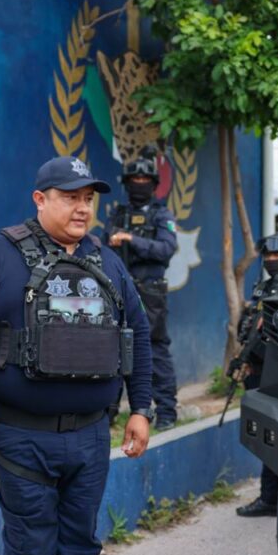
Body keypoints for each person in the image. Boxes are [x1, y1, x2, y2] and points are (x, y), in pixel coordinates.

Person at [0, 155, 154, 555]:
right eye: (70, 198)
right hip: (22, 438)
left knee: (81, 552)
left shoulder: (108, 262)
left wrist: (141, 409)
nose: (82, 208)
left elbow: (137, 333)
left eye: (88, 199)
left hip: (91, 437)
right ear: (40, 199)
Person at [102, 149, 179, 429]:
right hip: (119, 292)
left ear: (154, 183)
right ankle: (108, 413)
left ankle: (166, 412)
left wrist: (131, 240)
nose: (139, 183)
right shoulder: (118, 215)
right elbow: (102, 249)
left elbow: (167, 248)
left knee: (154, 350)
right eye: (135, 179)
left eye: (145, 179)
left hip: (150, 293)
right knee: (112, 348)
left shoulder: (162, 215)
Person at [234, 232, 278, 518]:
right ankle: (271, 496)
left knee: (275, 435)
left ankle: (273, 497)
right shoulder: (263, 287)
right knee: (266, 436)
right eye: (269, 256)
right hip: (258, 369)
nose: (272, 260)